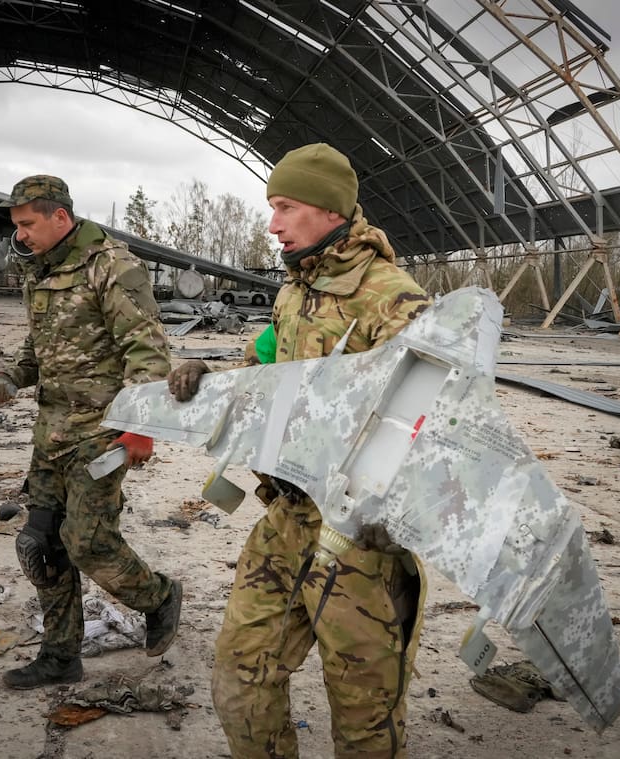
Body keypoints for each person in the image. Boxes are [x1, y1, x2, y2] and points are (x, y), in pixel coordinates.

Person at [168, 144, 431, 758]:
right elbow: (267, 373)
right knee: (241, 674)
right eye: (271, 208)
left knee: (364, 709)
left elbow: (430, 426)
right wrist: (214, 377)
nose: (272, 223)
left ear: (329, 209)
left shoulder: (394, 300)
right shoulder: (293, 294)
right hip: (285, 519)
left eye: (285, 207)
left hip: (358, 537)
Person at [0, 174, 182, 689]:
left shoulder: (112, 265)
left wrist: (142, 428)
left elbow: (148, 350)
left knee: (87, 542)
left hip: (101, 432)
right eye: (17, 226)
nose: (20, 235)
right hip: (52, 432)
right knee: (41, 544)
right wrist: (11, 377)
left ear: (60, 218)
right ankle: (60, 655)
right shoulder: (40, 272)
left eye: (27, 224)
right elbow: (40, 345)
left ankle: (158, 595)